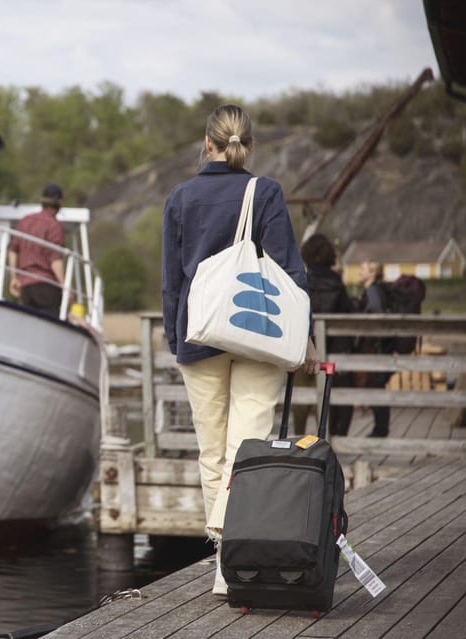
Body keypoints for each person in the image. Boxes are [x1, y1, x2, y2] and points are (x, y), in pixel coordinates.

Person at [161, 104, 319, 597]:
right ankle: (230, 567)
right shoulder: (265, 191)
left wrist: (175, 337)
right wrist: (304, 334)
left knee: (212, 452)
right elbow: (291, 271)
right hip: (258, 334)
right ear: (249, 147)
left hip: (201, 333)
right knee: (247, 451)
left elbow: (171, 282)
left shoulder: (180, 197)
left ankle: (224, 556)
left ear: (206, 144)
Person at [294, 233, 355, 436]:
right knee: (330, 399)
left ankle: (297, 438)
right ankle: (328, 439)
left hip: (304, 347)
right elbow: (348, 316)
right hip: (333, 350)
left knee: (300, 399)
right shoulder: (338, 285)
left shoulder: (301, 282)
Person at [8, 183, 66, 314]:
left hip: (25, 287)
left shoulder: (25, 221)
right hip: (46, 286)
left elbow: (12, 250)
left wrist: (14, 277)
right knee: (50, 327)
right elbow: (55, 260)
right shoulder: (54, 225)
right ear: (60, 202)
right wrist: (64, 287)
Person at [354, 260, 391, 437]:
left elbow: (376, 316)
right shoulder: (374, 291)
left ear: (373, 273)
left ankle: (380, 429)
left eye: (363, 268)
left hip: (374, 347)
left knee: (376, 385)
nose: (360, 271)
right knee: (376, 385)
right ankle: (380, 428)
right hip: (377, 347)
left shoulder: (373, 292)